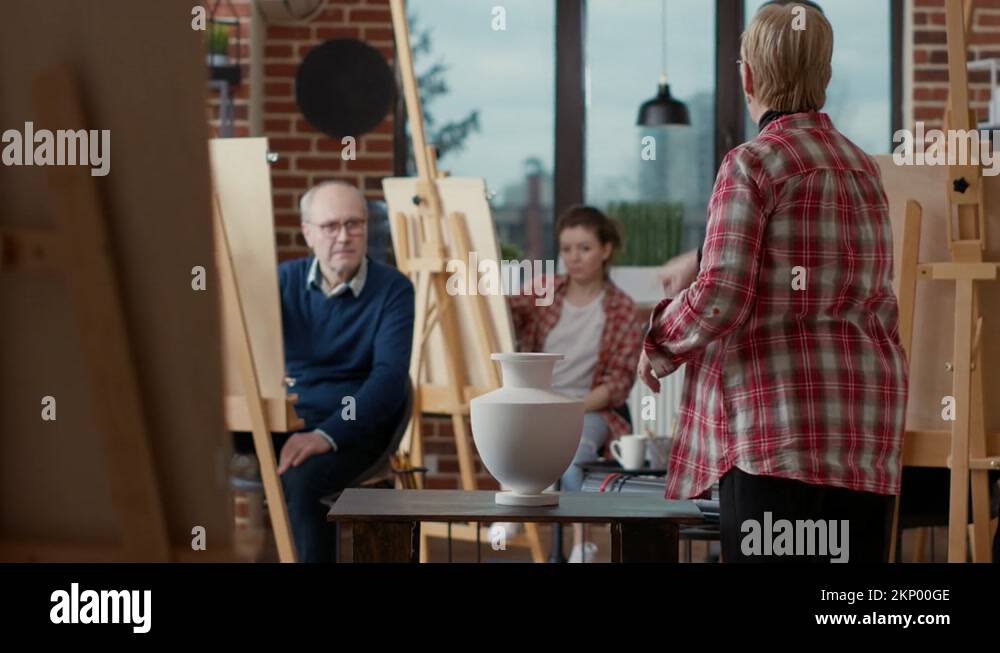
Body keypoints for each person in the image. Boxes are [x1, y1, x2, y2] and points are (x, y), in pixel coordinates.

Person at [641, 2, 908, 562]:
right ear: (826, 76)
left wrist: (660, 338)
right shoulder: (865, 169)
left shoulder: (752, 164)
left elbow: (721, 295)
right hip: (864, 431)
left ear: (747, 77)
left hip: (776, 433)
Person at [235, 181, 414, 563]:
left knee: (304, 481)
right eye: (331, 226)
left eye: (355, 224)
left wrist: (326, 434)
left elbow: (388, 380)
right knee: (197, 452)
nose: (345, 236)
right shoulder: (283, 282)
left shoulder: (394, 290)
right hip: (288, 418)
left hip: (357, 425)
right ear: (308, 233)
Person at [506, 205, 643, 561]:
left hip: (591, 408)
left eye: (584, 248)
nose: (573, 258)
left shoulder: (622, 309)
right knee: (512, 438)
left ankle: (581, 543)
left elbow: (618, 383)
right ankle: (514, 508)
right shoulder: (544, 292)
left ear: (605, 250)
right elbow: (500, 311)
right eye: (566, 249)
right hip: (538, 403)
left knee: (571, 457)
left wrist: (570, 410)